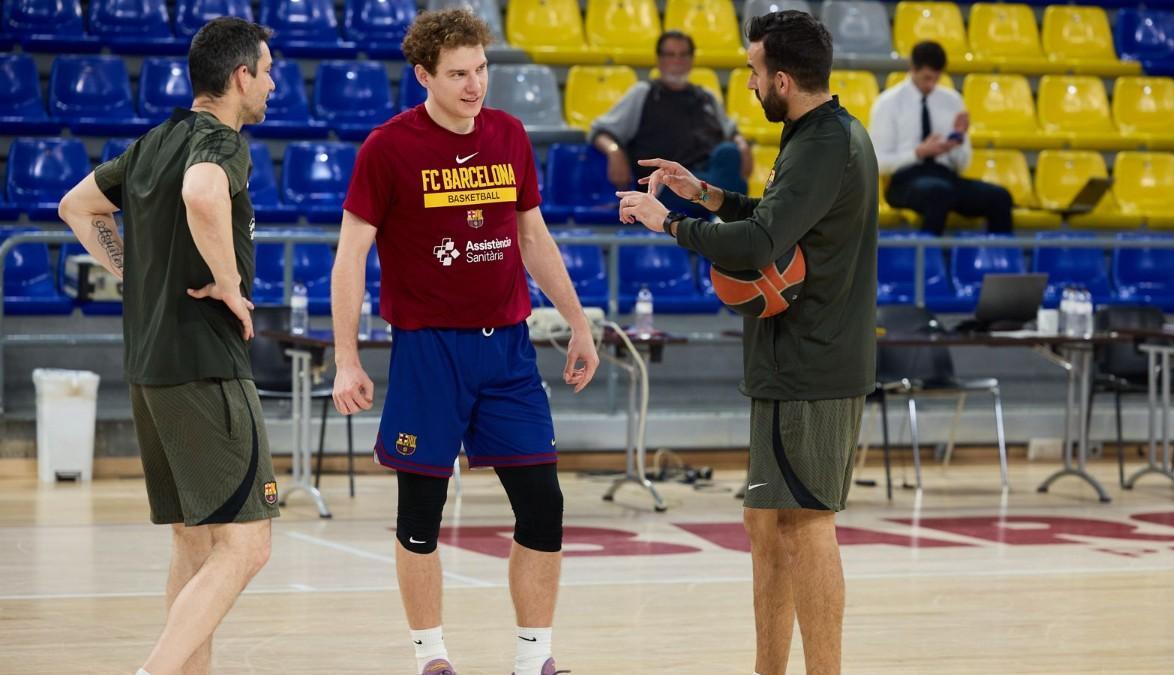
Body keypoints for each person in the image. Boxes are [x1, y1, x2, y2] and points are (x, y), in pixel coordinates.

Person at [329, 9, 599, 675]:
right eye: (458, 74)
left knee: (543, 503)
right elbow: (349, 257)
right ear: (423, 75)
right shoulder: (387, 149)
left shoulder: (508, 135)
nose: (475, 85)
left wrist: (579, 320)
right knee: (419, 515)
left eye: (481, 70)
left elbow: (533, 238)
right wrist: (346, 356)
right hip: (427, 352)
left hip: (506, 349)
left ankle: (534, 656)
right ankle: (432, 654)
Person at [614, 10, 876, 675]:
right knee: (767, 522)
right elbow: (770, 216)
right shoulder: (815, 134)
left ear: (783, 79)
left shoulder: (824, 143)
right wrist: (702, 193)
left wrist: (667, 221)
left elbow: (760, 244)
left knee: (808, 522)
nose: (751, 83)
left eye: (756, 72)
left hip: (812, 361)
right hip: (786, 359)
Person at [57, 17, 277, 675]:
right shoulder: (219, 141)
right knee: (247, 545)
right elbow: (202, 193)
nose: (271, 85)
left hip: (150, 366)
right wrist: (232, 285)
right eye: (266, 72)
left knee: (195, 539)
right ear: (241, 77)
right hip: (205, 364)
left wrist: (130, 269)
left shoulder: (155, 140)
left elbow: (76, 206)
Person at [590, 30, 752, 216]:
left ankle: (717, 208)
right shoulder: (643, 93)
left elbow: (731, 131)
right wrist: (614, 151)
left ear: (691, 60)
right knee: (735, 187)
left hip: (707, 177)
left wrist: (742, 145)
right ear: (659, 60)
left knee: (729, 153)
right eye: (670, 55)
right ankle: (723, 210)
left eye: (683, 55)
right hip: (668, 184)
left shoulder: (706, 97)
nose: (677, 61)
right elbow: (600, 131)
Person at [869, 40, 1013, 236]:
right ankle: (929, 262)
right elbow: (878, 162)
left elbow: (962, 165)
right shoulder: (888, 103)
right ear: (912, 69)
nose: (931, 85)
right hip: (904, 180)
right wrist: (918, 153)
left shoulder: (952, 100)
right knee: (939, 193)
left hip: (944, 176)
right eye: (926, 78)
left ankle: (999, 261)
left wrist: (957, 142)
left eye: (936, 79)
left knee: (1000, 197)